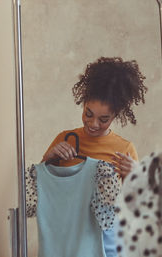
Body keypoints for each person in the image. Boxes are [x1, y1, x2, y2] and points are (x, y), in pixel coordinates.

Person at [41, 56, 147, 257]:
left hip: (108, 244)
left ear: (116, 115)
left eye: (103, 119)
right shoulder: (65, 140)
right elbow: (41, 191)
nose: (93, 124)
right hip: (66, 240)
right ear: (83, 104)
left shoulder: (124, 149)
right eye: (88, 114)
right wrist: (48, 158)